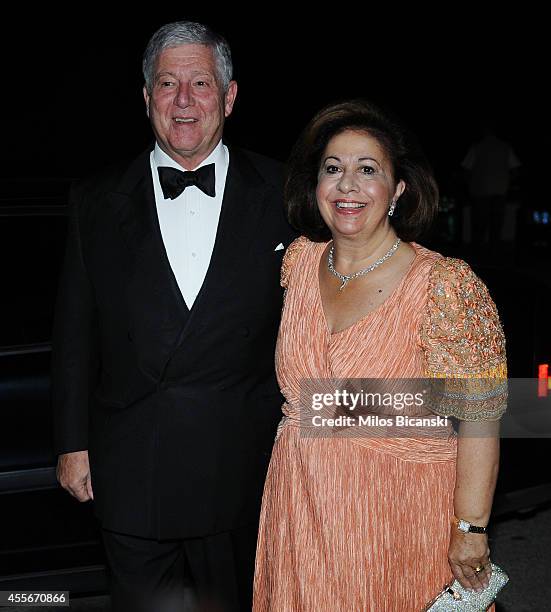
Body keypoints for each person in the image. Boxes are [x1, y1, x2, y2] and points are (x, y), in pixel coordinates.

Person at [52, 21, 295, 612]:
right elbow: (74, 332)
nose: (183, 100)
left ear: (230, 97)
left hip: (240, 466)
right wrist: (71, 443)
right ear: (145, 98)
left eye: (200, 83)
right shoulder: (95, 199)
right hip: (132, 464)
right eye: (167, 83)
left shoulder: (287, 193)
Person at [253, 100, 507, 611]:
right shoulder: (298, 264)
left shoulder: (444, 286)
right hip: (301, 505)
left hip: (402, 518)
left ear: (397, 191)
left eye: (367, 170)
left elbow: (480, 418)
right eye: (333, 169)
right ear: (316, 186)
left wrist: (471, 528)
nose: (347, 186)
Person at [461, 120, 521, 249]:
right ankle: (493, 250)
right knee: (496, 223)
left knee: (479, 223)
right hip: (500, 190)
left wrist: (469, 185)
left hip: (479, 190)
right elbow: (515, 170)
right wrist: (506, 181)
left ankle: (478, 250)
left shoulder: (476, 147)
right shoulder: (505, 147)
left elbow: (466, 169)